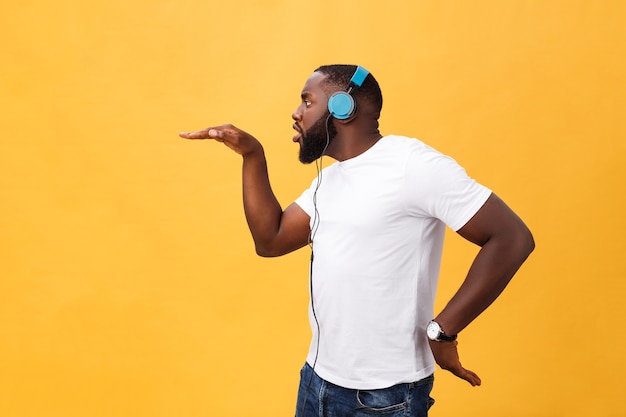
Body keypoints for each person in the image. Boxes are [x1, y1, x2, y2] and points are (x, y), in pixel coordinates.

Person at [179, 64, 534, 417]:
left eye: (307, 101)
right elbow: (270, 240)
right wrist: (252, 155)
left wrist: (443, 330)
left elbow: (511, 237)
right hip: (317, 382)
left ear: (342, 108)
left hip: (384, 397)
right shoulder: (328, 181)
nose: (296, 112)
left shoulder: (412, 164)